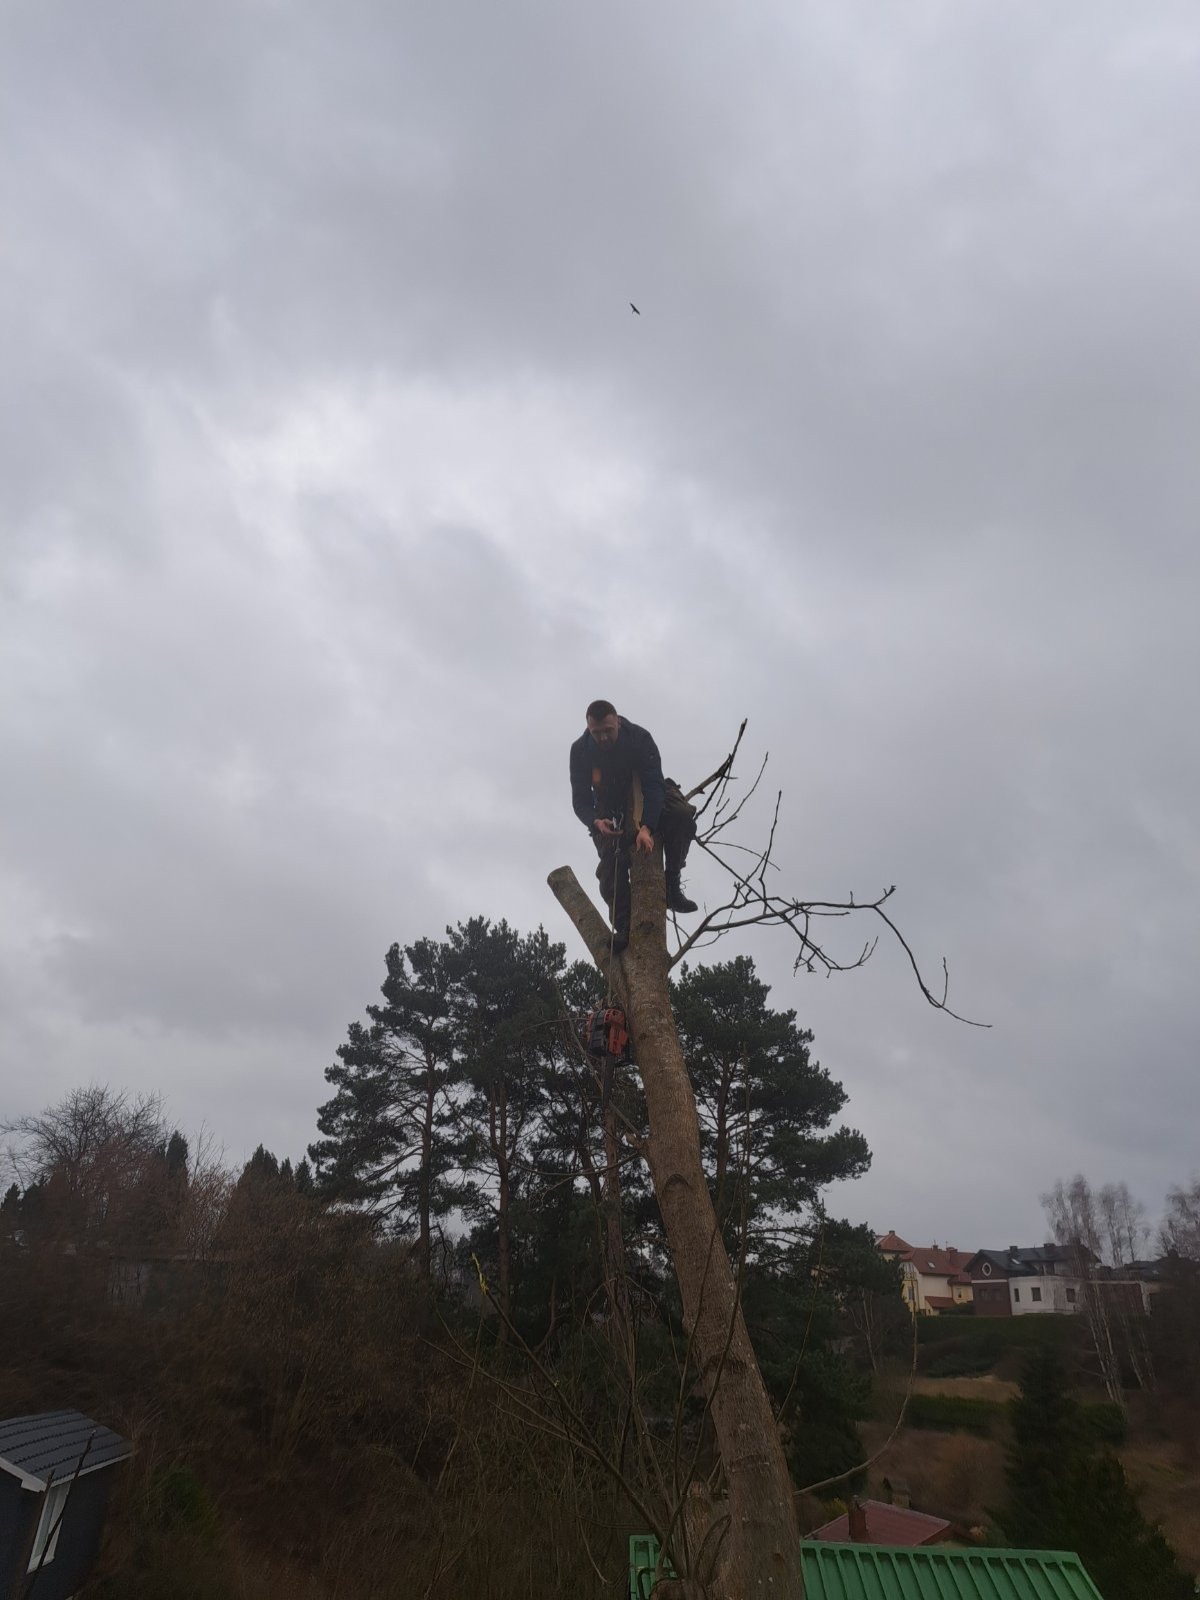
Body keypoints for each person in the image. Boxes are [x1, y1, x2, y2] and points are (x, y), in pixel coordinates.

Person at [569, 700, 698, 952]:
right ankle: (624, 928)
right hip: (608, 806)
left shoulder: (639, 738)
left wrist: (647, 827)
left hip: (648, 792)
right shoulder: (580, 751)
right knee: (609, 869)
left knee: (682, 815)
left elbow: (653, 784)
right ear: (588, 728)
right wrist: (595, 821)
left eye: (608, 730)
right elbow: (580, 800)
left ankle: (672, 884)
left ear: (617, 721)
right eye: (596, 733)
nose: (603, 737)